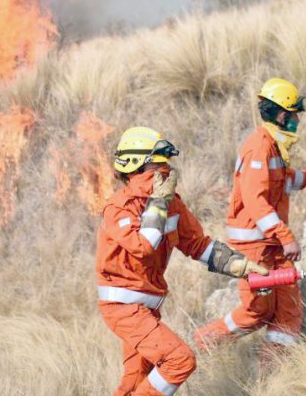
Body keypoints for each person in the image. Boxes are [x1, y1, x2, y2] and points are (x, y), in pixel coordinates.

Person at [97, 126, 269, 396]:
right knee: (180, 360)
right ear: (135, 167)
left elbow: (198, 245)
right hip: (122, 308)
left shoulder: (169, 204)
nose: (166, 172)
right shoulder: (119, 208)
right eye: (158, 165)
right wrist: (159, 202)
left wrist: (245, 268)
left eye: (167, 166)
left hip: (146, 310)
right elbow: (143, 246)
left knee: (135, 382)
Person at [193, 78, 306, 357]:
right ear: (282, 114)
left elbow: (284, 181)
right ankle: (205, 341)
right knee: (257, 311)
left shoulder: (273, 144)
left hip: (272, 245)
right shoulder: (260, 147)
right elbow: (256, 200)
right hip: (255, 247)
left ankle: (273, 372)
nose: (296, 121)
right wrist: (286, 237)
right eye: (294, 115)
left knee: (289, 309)